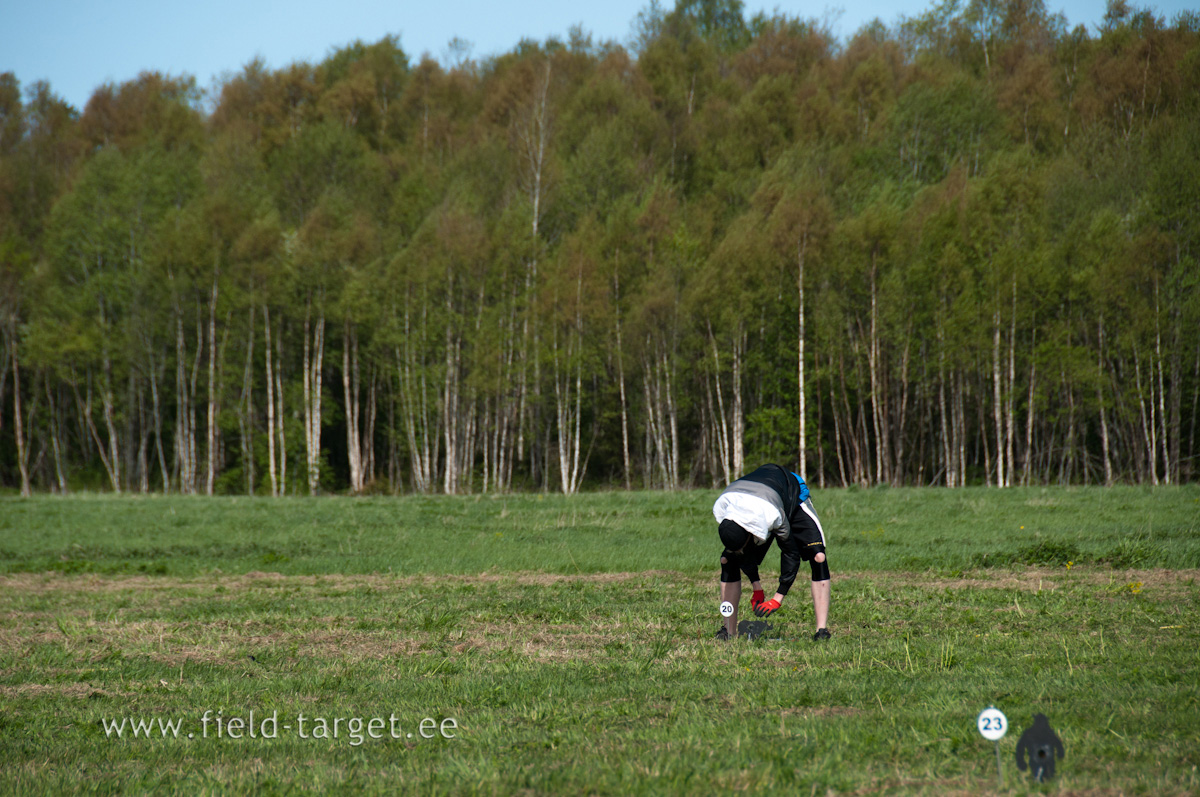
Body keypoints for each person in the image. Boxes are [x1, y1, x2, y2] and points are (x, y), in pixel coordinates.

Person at [712, 464, 830, 641]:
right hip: (753, 495)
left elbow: (790, 553)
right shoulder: (727, 510)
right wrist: (756, 587)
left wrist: (777, 598)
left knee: (818, 556)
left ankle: (822, 631)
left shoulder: (773, 516)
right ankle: (728, 631)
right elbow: (741, 552)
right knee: (727, 560)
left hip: (792, 493)